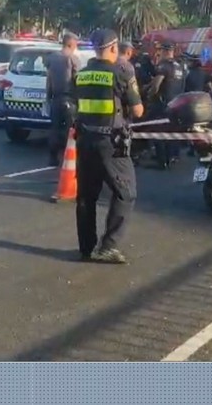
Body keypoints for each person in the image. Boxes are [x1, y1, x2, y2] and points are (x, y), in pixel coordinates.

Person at [72, 29, 144, 264]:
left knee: (86, 196)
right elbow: (137, 110)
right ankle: (109, 246)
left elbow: (72, 104)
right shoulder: (120, 73)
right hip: (111, 144)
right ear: (114, 48)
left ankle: (86, 248)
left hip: (85, 140)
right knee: (126, 192)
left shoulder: (81, 74)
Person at [147, 41, 187, 169]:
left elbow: (156, 85)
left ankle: (162, 160)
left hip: (163, 104)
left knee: (158, 131)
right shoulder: (179, 66)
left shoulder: (163, 66)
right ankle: (172, 156)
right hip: (177, 103)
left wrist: (150, 94)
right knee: (172, 131)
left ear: (164, 51)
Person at [45, 32, 82, 166]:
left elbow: (48, 79)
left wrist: (48, 97)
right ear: (71, 44)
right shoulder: (72, 59)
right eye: (75, 44)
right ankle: (69, 157)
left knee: (54, 128)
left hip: (55, 98)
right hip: (70, 99)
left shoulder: (52, 58)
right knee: (70, 129)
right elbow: (77, 80)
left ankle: (53, 157)